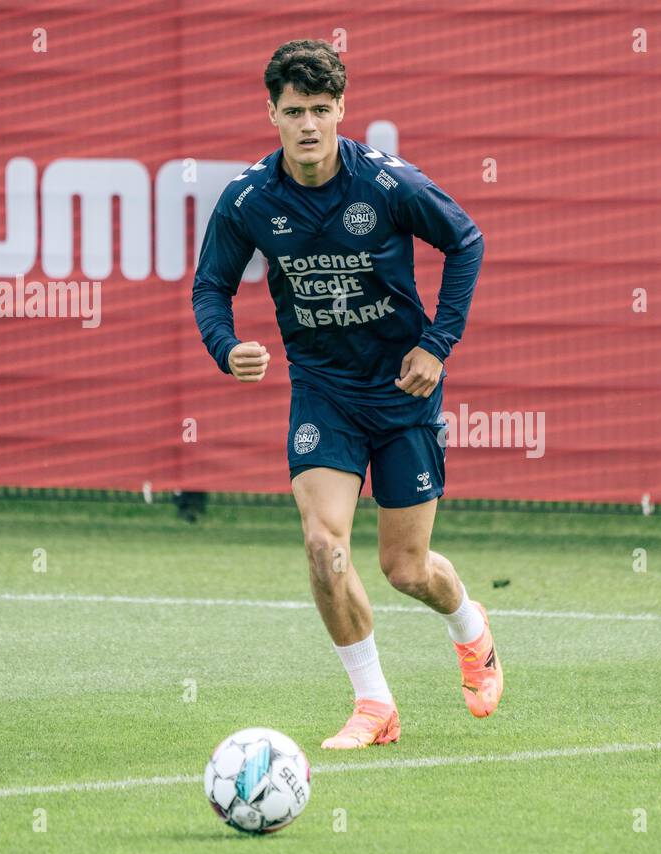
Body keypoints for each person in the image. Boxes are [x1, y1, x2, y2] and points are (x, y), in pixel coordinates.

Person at [192, 39, 500, 749]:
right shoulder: (249, 199)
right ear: (270, 112)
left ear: (341, 110)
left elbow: (466, 242)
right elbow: (210, 286)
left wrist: (436, 344)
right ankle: (375, 706)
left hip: (401, 392)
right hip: (323, 390)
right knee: (323, 545)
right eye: (294, 110)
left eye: (321, 110)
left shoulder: (388, 184)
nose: (307, 124)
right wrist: (225, 346)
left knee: (406, 569)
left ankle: (471, 629)